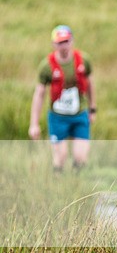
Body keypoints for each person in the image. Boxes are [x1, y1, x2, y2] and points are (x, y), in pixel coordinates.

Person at [29, 25, 96, 172]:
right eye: (60, 42)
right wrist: (34, 123)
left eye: (66, 41)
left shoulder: (83, 61)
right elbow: (39, 94)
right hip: (58, 117)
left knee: (81, 157)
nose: (63, 46)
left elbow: (90, 84)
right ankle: (58, 183)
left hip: (79, 114)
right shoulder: (46, 66)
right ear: (54, 44)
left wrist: (92, 109)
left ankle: (77, 185)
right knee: (61, 156)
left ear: (72, 41)